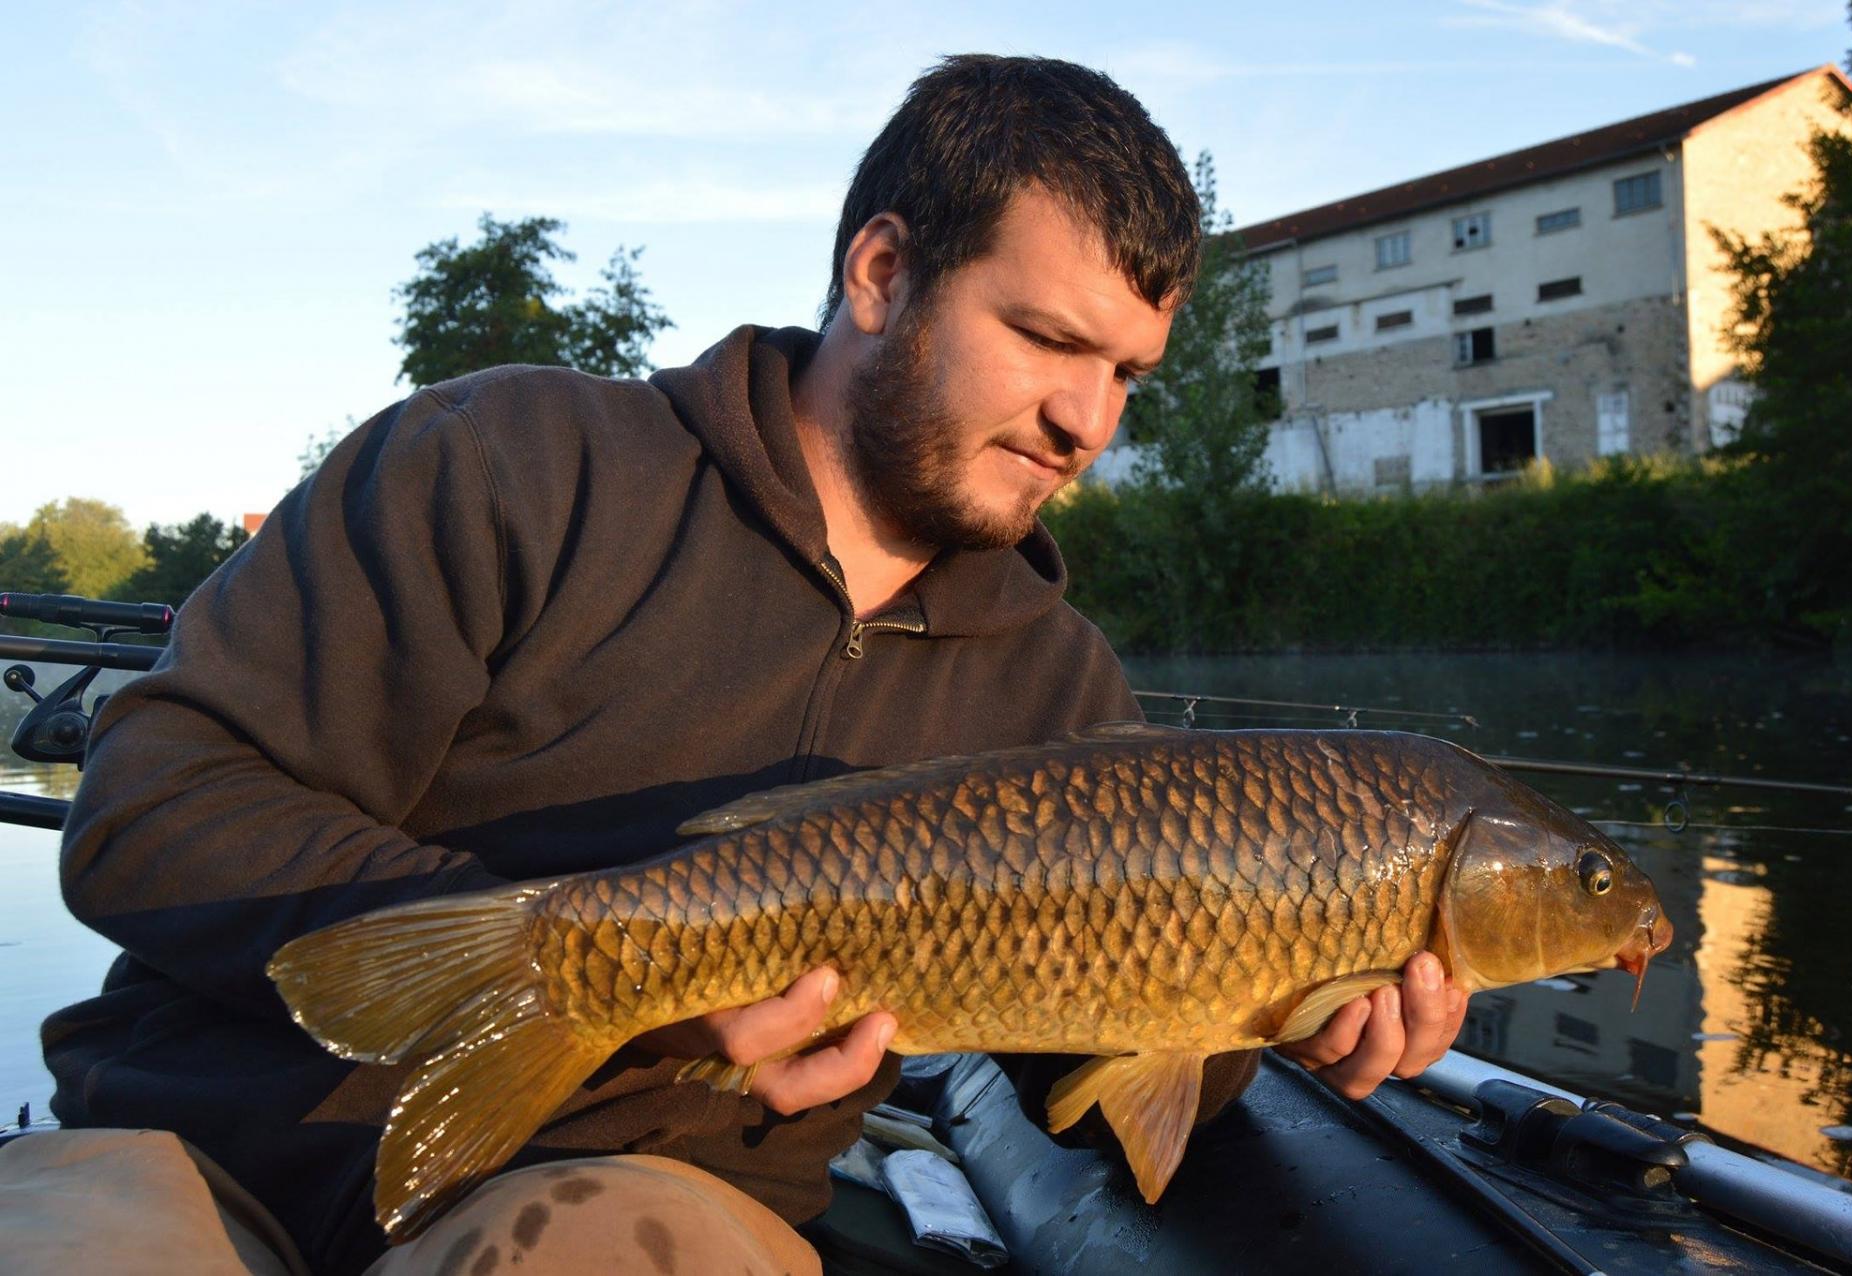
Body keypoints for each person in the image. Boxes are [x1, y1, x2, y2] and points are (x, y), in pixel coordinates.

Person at [37, 54, 1467, 1275]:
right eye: (1044, 339)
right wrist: (574, 961)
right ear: (882, 273)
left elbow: (1093, 1091)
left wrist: (1291, 1020)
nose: (1084, 419)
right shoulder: (512, 462)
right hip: (204, 1150)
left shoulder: (1058, 689)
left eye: (1127, 375)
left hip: (636, 1205)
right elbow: (150, 802)